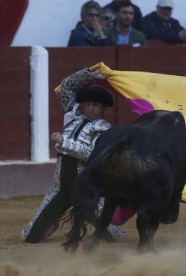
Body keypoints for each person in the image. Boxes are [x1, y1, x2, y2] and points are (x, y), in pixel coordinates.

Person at [22, 67, 126, 243]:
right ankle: (53, 221)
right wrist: (88, 75)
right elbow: (67, 86)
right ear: (83, 105)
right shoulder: (72, 116)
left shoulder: (105, 130)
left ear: (102, 109)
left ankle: (117, 233)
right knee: (29, 236)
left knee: (113, 236)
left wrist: (64, 142)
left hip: (83, 188)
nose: (91, 109)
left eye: (96, 106)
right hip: (60, 187)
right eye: (88, 104)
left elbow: (92, 155)